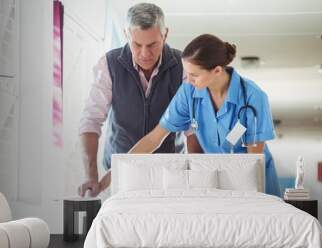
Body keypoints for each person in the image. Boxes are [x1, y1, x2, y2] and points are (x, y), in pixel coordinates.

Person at [99, 34, 281, 197]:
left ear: (217, 71)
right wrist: (113, 173)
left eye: (194, 75)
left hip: (256, 183)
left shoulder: (252, 97)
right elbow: (154, 138)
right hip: (218, 183)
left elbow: (253, 161)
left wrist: (244, 198)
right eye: (187, 73)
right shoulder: (189, 93)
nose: (189, 80)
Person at [78, 3, 186, 197]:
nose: (145, 54)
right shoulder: (109, 65)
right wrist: (92, 175)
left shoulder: (183, 66)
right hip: (121, 173)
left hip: (169, 173)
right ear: (126, 35)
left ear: (165, 35)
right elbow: (91, 120)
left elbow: (192, 127)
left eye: (152, 45)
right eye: (137, 45)